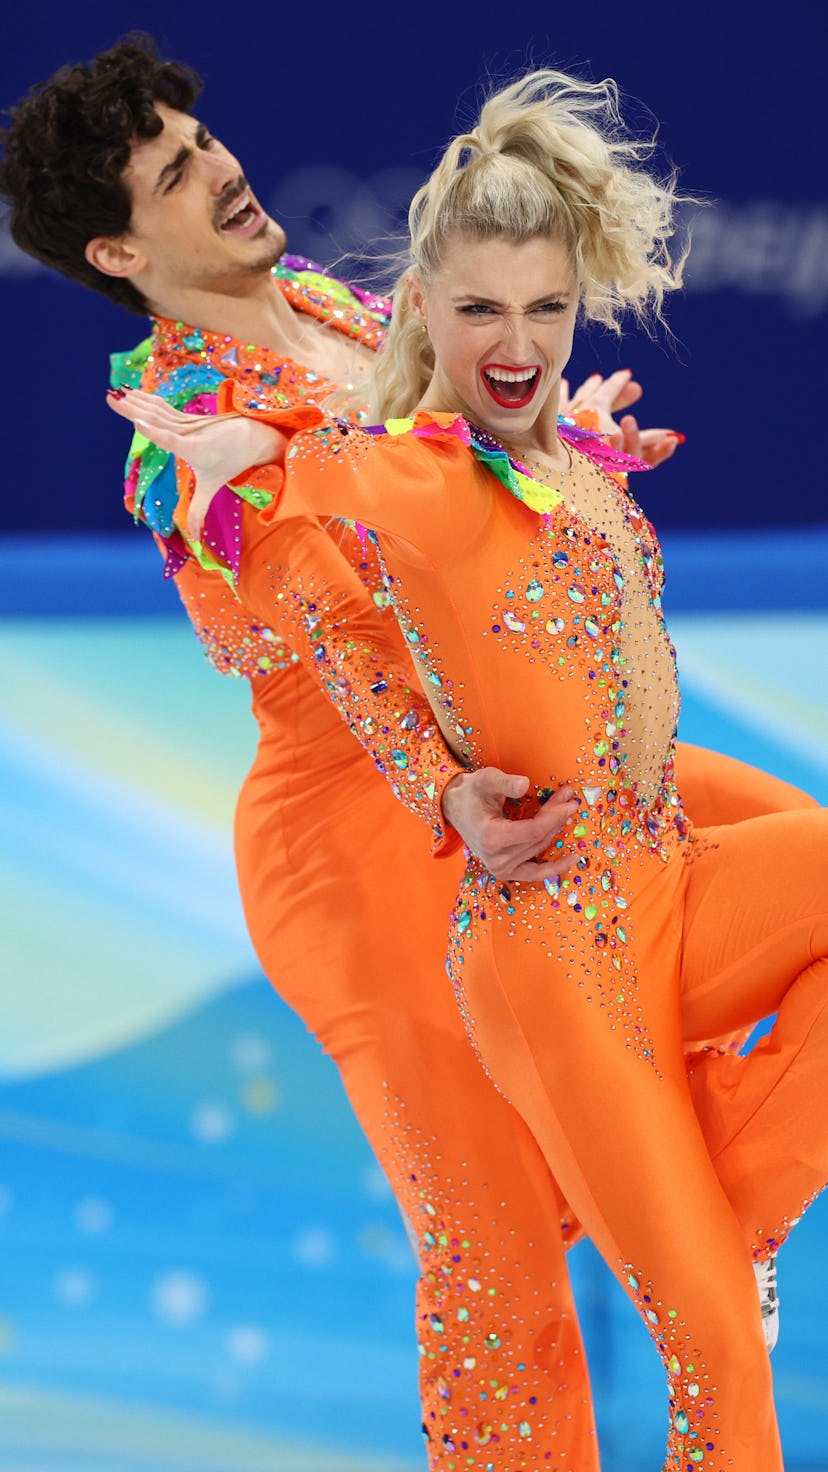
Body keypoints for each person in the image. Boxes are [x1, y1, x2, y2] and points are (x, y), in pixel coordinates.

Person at [1, 38, 814, 1467]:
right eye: (176, 174)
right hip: (363, 833)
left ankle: (706, 1209)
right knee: (494, 1251)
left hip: (521, 742)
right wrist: (441, 789)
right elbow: (326, 625)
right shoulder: (179, 429)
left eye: (207, 137)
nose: (225, 170)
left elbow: (466, 470)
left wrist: (569, 441)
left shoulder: (330, 304)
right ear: (116, 247)